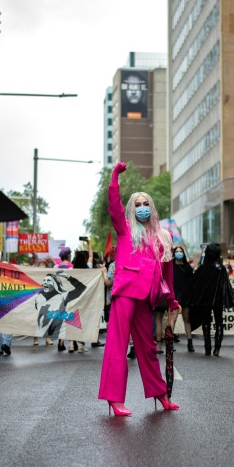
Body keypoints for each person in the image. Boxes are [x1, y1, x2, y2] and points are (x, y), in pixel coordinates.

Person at [97, 162, 179, 416]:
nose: (142, 208)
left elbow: (167, 272)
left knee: (148, 348)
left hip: (147, 297)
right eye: (137, 204)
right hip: (125, 293)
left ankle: (160, 395)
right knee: (117, 345)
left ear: (152, 208)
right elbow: (114, 206)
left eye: (146, 204)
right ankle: (114, 399)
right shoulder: (124, 229)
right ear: (132, 209)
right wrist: (114, 178)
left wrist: (172, 301)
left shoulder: (162, 236)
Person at [178, 243, 234, 356]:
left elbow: (195, 284)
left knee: (206, 322)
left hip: (205, 299)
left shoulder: (203, 268)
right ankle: (217, 348)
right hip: (218, 299)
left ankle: (207, 347)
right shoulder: (221, 269)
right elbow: (226, 285)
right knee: (219, 322)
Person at [172, 247, 195, 352]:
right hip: (174, 296)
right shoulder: (171, 267)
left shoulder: (188, 268)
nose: (179, 253)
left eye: (180, 251)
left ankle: (190, 343)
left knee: (187, 318)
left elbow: (192, 283)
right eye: (177, 251)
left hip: (186, 296)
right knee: (174, 318)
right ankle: (170, 342)